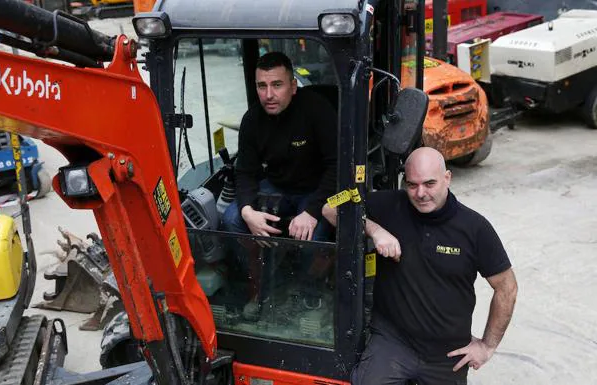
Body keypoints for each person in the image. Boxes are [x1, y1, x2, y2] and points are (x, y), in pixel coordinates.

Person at [322, 147, 518, 385]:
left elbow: (506, 288)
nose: (420, 193)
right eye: (412, 184)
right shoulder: (391, 204)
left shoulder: (475, 228)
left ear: (448, 178)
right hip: (393, 342)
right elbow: (331, 207)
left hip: (446, 354)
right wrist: (375, 230)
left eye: (429, 183)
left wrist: (487, 346)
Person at [222, 51, 337, 242]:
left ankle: (306, 273)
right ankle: (256, 270)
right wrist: (247, 210)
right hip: (276, 186)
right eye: (262, 86)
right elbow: (245, 172)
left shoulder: (318, 110)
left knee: (311, 238)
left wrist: (311, 212)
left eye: (277, 85)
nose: (268, 95)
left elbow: (337, 166)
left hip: (316, 190)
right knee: (232, 219)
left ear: (293, 87)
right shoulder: (251, 120)